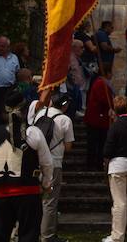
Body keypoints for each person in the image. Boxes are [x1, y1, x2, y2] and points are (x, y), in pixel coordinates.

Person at [0, 91, 53, 242]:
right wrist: (46, 183)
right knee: (28, 234)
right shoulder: (33, 133)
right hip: (27, 192)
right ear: (24, 111)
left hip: (0, 195)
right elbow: (47, 163)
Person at [34, 93, 75, 242]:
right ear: (65, 105)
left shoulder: (39, 115)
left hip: (36, 162)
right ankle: (47, 236)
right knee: (49, 201)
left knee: (32, 199)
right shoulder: (65, 120)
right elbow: (69, 146)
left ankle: (25, 233)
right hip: (54, 163)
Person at [102, 96, 127, 242]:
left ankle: (117, 236)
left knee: (119, 202)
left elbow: (108, 149)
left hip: (118, 164)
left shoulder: (116, 125)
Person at [85, 65, 114, 171]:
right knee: (96, 143)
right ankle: (93, 164)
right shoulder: (101, 83)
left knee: (99, 143)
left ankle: (97, 163)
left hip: (99, 120)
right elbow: (104, 99)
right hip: (97, 120)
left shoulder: (101, 83)